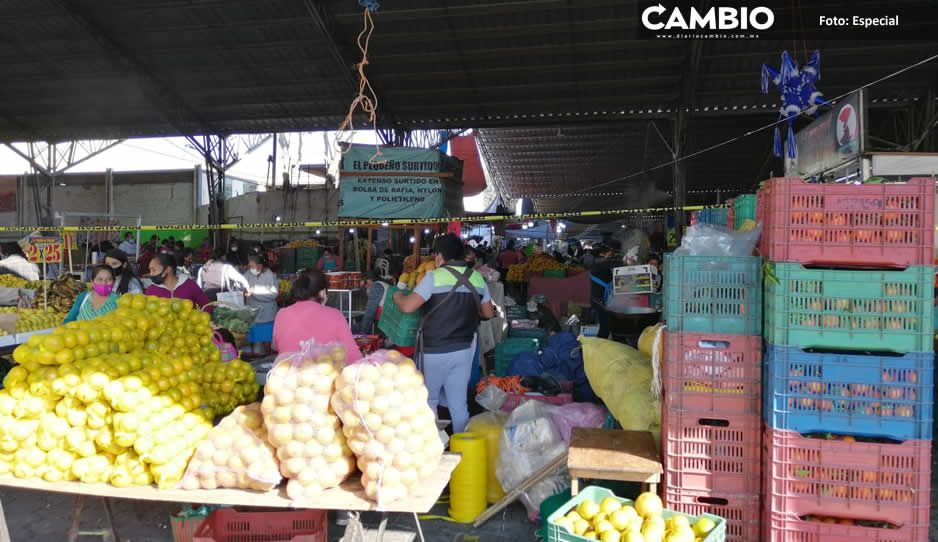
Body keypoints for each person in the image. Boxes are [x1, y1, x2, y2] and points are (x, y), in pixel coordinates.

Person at [392, 234, 495, 434]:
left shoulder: (433, 277)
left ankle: (433, 449)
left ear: (439, 256)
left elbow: (407, 307)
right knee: (458, 404)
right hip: (464, 350)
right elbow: (488, 313)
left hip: (433, 350)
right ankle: (463, 451)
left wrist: (396, 296)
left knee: (428, 400)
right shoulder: (477, 277)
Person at [272, 269, 362, 360]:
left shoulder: (282, 314)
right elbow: (353, 356)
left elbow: (275, 346)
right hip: (324, 373)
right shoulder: (335, 315)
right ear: (322, 292)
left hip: (285, 373)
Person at [145, 253, 210, 309]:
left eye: (154, 270)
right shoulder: (151, 290)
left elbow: (207, 305)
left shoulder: (189, 285)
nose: (151, 274)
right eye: (150, 270)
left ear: (168, 269)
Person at [244, 254, 278, 356]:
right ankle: (254, 356)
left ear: (260, 266)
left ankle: (267, 357)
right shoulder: (249, 274)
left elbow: (273, 294)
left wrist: (254, 290)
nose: (250, 269)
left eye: (252, 266)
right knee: (254, 340)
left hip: (266, 314)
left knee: (266, 338)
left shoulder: (270, 276)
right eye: (249, 266)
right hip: (252, 312)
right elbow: (241, 281)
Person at [589, 241, 621, 339]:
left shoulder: (598, 262)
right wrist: (625, 261)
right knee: (605, 325)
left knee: (605, 323)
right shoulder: (600, 262)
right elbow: (611, 264)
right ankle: (600, 346)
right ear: (603, 253)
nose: (611, 255)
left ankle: (602, 343)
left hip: (598, 298)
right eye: (610, 253)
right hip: (598, 298)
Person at [356, 270, 390, 334]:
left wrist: (363, 333)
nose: (365, 286)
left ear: (370, 280)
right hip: (386, 319)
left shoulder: (376, 287)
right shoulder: (381, 284)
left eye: (365, 283)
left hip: (386, 321)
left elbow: (370, 312)